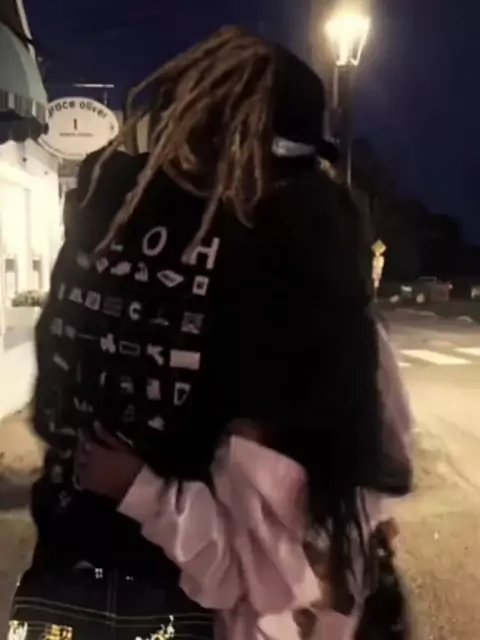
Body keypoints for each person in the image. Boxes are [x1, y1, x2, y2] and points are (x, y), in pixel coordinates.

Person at [12, 26, 412, 640]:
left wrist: (140, 488)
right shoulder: (313, 294)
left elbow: (267, 565)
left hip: (117, 586)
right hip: (115, 582)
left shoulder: (287, 310)